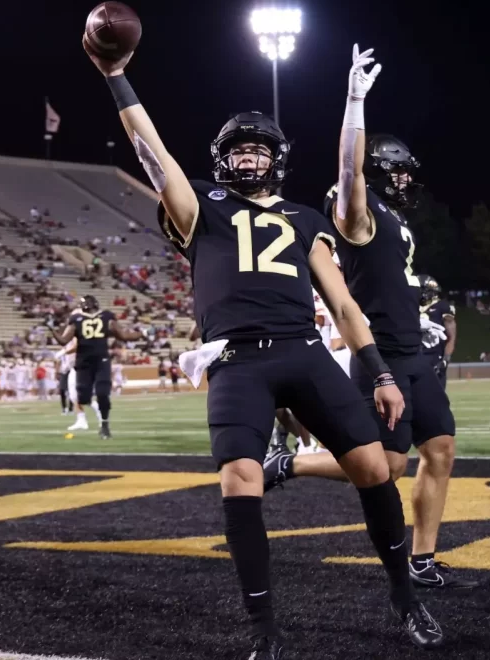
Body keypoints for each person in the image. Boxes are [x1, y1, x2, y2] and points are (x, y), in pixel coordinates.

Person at [87, 40, 441, 656]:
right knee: (240, 479)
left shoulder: (307, 219)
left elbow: (345, 306)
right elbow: (153, 154)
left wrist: (380, 373)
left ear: (276, 160)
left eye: (258, 150)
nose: (248, 160)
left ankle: (405, 599)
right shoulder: (200, 205)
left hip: (304, 351)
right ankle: (265, 631)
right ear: (223, 160)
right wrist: (118, 77)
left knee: (375, 468)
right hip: (235, 360)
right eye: (239, 151)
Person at [266, 46, 469, 591]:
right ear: (379, 172)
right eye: (398, 173)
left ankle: (422, 561)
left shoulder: (394, 220)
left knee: (441, 449)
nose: (406, 182)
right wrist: (355, 101)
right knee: (385, 465)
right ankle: (288, 465)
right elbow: (347, 168)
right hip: (379, 353)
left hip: (414, 351)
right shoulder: (358, 214)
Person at [52, 295, 138, 439]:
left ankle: (103, 424)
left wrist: (141, 334)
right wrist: (54, 332)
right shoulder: (76, 321)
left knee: (102, 393)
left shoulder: (103, 317)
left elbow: (122, 335)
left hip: (100, 360)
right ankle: (84, 418)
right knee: (81, 396)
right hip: (81, 363)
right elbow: (64, 340)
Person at [419, 275, 456, 388]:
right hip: (415, 356)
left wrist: (445, 360)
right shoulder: (412, 306)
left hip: (434, 357)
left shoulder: (442, 306)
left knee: (436, 398)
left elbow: (451, 337)